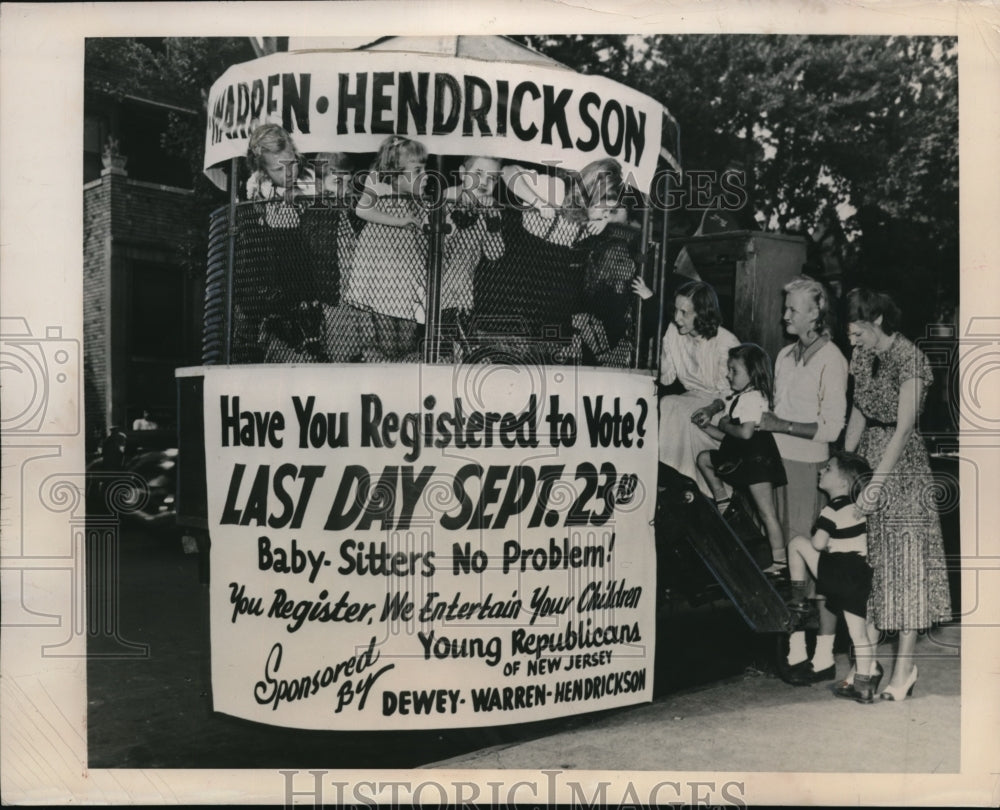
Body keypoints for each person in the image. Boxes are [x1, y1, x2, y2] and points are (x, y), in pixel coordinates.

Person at [843, 287, 951, 700]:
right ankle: (865, 663)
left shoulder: (911, 358)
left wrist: (876, 483)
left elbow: (904, 427)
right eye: (850, 335)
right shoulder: (863, 355)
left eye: (858, 333)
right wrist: (845, 465)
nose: (852, 341)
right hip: (868, 458)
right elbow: (859, 410)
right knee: (869, 565)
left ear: (880, 322)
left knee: (905, 568)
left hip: (901, 469)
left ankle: (903, 669)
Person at [752, 275, 848, 679]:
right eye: (785, 306)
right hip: (780, 464)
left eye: (793, 308)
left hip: (810, 468)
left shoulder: (833, 359)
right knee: (789, 560)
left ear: (816, 313)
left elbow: (830, 428)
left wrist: (779, 424)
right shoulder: (784, 356)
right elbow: (773, 410)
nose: (785, 314)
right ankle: (794, 645)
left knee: (815, 560)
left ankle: (824, 655)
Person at [781, 451, 882, 700]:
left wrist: (822, 540)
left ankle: (797, 594)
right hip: (861, 575)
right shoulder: (861, 510)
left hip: (836, 573)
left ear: (843, 483)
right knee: (860, 635)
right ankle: (864, 685)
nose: (820, 471)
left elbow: (817, 543)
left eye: (828, 469)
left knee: (796, 543)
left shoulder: (832, 508)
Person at [695, 344, 787, 572]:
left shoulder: (754, 397)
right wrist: (707, 427)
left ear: (753, 373)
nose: (728, 375)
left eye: (734, 371)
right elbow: (729, 438)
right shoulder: (741, 397)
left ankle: (780, 561)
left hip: (757, 459)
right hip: (743, 455)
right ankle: (723, 500)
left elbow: (744, 433)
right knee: (704, 458)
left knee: (766, 512)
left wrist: (724, 423)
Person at [241, 123, 326, 362]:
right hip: (273, 249)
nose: (288, 173)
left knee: (307, 294)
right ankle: (282, 335)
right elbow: (261, 195)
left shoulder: (305, 175)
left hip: (299, 245)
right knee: (281, 299)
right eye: (279, 169)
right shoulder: (258, 182)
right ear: (263, 170)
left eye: (292, 164)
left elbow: (319, 189)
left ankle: (310, 336)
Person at [342, 135, 430, 361]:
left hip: (406, 273)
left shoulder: (416, 197)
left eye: (424, 168)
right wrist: (400, 221)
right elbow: (362, 210)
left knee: (408, 339)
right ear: (395, 169)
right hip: (382, 272)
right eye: (418, 169)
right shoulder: (378, 182)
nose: (426, 175)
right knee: (388, 341)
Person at [658, 280, 740, 495]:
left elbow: (731, 394)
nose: (677, 318)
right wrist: (664, 350)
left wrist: (710, 410)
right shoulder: (673, 331)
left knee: (681, 410)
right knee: (669, 404)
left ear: (702, 313)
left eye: (684, 312)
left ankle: (704, 491)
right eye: (675, 310)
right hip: (692, 397)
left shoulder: (726, 342)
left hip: (721, 406)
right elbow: (667, 379)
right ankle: (673, 480)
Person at [440, 155, 505, 360]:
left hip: (465, 295)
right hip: (434, 294)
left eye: (492, 178)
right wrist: (455, 221)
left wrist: (493, 226)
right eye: (478, 174)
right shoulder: (446, 198)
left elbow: (494, 254)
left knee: (463, 352)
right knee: (443, 352)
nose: (485, 182)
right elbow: (432, 250)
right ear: (462, 173)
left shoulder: (489, 206)